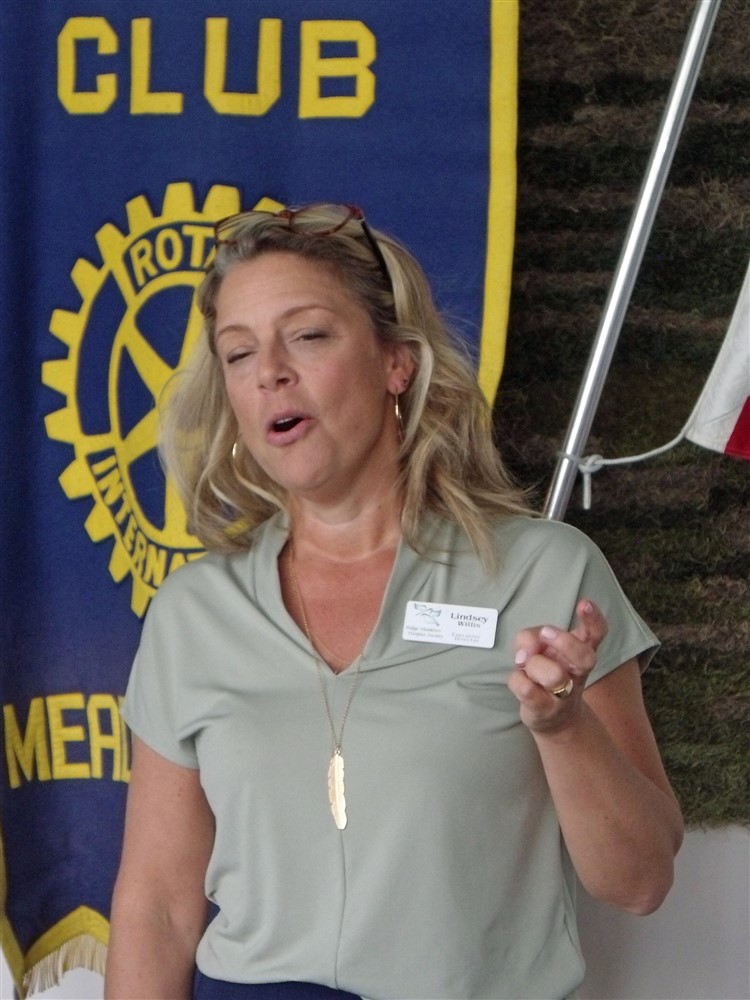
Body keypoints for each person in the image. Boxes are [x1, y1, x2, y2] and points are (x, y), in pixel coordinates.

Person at [105, 203, 683, 1000]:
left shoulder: (545, 574)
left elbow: (641, 882)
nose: (269, 371)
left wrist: (563, 725)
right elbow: (159, 908)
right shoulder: (191, 612)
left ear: (395, 365)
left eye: (307, 336)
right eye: (238, 352)